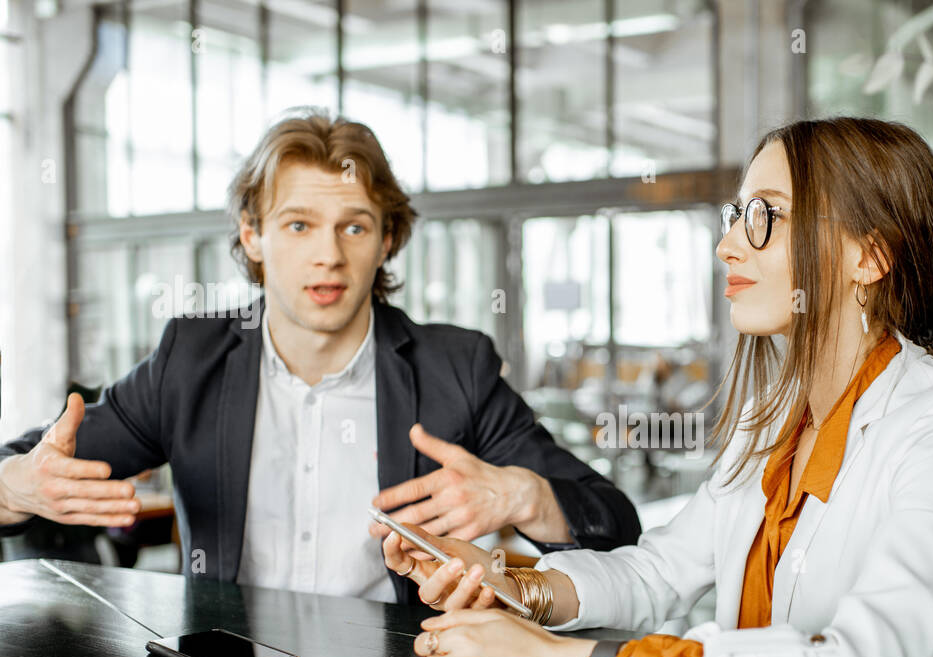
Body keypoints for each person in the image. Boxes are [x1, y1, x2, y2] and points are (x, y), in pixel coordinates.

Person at [384, 116, 933, 657]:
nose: (728, 244)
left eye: (766, 217)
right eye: (737, 216)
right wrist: (512, 584)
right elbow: (654, 574)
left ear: (868, 256)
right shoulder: (775, 429)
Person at [0, 110, 641, 603]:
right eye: (299, 224)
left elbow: (613, 523)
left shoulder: (454, 368)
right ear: (253, 234)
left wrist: (523, 495)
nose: (328, 255)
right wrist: (16, 486)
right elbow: (27, 466)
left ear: (387, 239)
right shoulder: (190, 360)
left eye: (354, 226)